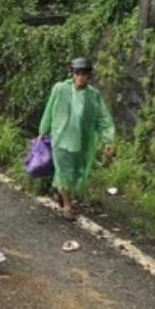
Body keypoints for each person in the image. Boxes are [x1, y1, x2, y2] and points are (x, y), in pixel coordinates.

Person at [38, 57, 116, 221]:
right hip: (61, 140)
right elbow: (50, 109)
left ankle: (62, 192)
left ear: (89, 76)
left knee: (75, 174)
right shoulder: (60, 89)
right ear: (72, 74)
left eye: (84, 74)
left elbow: (103, 118)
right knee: (63, 171)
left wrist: (107, 140)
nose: (81, 77)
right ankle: (67, 205)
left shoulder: (93, 96)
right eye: (77, 73)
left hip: (82, 142)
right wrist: (43, 130)